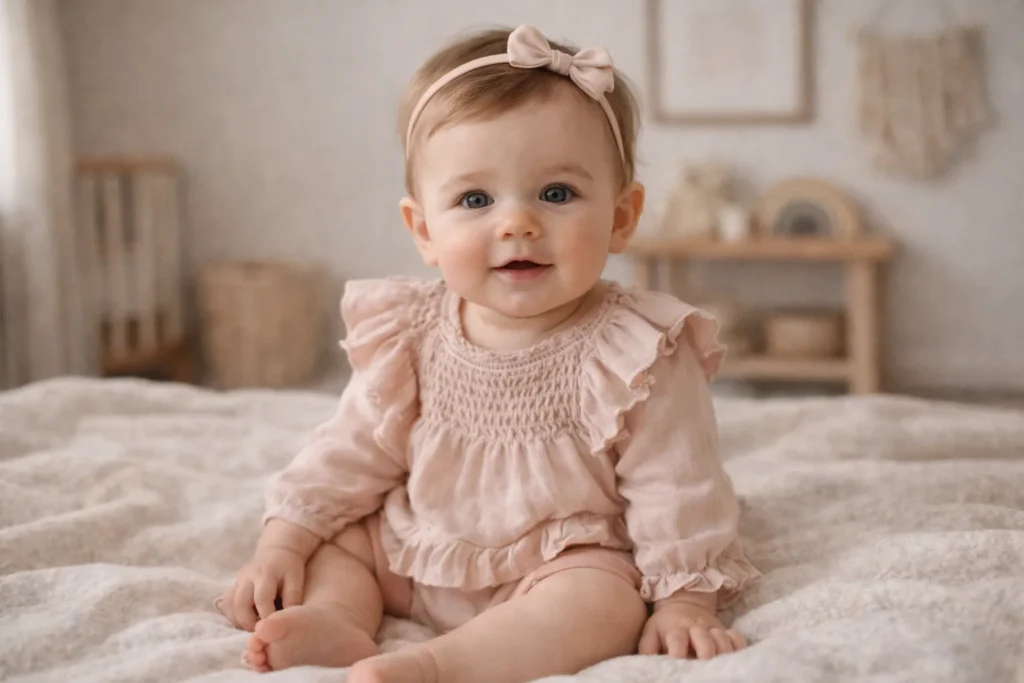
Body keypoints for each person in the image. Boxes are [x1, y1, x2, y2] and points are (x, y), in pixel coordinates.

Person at [217, 24, 760, 683]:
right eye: (475, 199)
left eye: (556, 193)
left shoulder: (637, 349)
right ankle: (341, 619)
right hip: (415, 549)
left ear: (622, 216)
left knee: (605, 601)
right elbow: (350, 449)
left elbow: (679, 485)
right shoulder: (410, 333)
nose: (516, 223)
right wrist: (284, 541)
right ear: (423, 230)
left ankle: (444, 664)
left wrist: (684, 598)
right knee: (339, 540)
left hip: (559, 562)